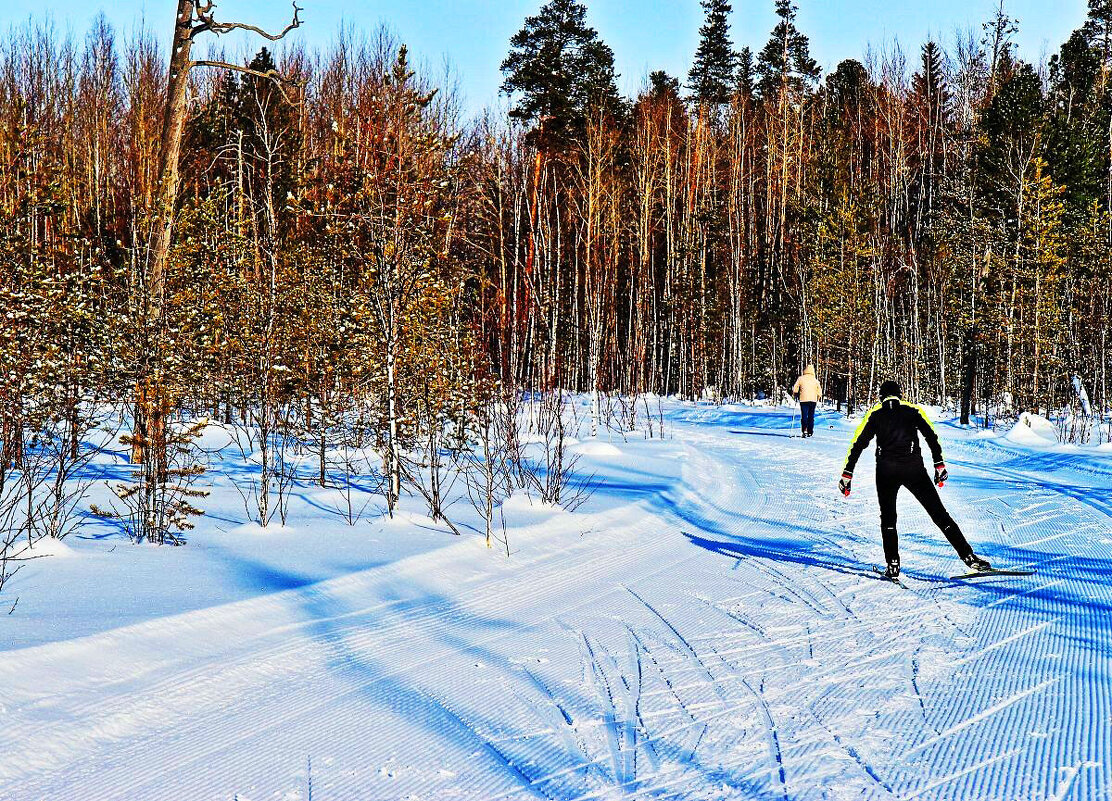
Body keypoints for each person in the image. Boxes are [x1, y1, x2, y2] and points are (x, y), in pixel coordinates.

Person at [837, 379, 991, 578]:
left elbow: (858, 444)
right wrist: (939, 464)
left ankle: (892, 565)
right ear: (899, 395)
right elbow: (931, 436)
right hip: (914, 470)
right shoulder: (912, 411)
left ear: (881, 397)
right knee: (939, 514)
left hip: (885, 473)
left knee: (888, 519)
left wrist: (847, 475)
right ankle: (969, 557)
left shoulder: (874, 415)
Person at [791, 365, 822, 438]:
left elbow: (795, 388)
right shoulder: (815, 380)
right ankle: (810, 431)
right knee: (811, 416)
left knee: (804, 416)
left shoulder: (801, 378)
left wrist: (795, 393)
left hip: (803, 400)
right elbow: (819, 391)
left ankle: (804, 430)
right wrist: (818, 397)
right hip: (813, 400)